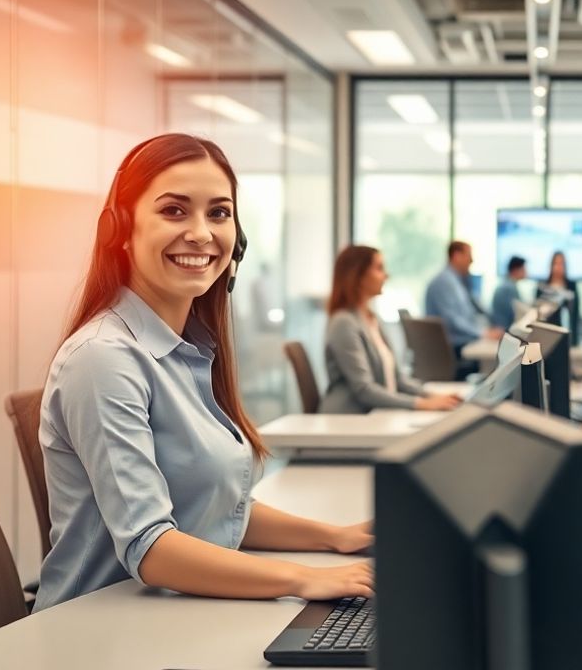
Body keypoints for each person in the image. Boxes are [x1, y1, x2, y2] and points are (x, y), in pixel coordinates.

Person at [36, 134, 372, 612]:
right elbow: (151, 547)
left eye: (218, 213)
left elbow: (215, 509)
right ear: (121, 230)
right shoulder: (104, 358)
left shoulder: (186, 349)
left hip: (173, 613)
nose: (201, 233)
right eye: (174, 211)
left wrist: (333, 537)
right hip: (99, 629)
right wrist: (304, 578)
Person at [323, 245, 462, 414]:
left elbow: (398, 380)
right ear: (357, 275)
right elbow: (364, 389)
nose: (386, 275)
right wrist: (421, 404)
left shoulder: (372, 319)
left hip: (376, 414)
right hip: (350, 418)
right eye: (379, 268)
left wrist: (432, 396)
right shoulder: (344, 323)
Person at [424, 241, 499, 357]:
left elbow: (472, 310)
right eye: (469, 256)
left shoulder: (457, 281)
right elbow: (452, 320)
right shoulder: (444, 282)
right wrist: (483, 333)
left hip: (460, 344)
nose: (472, 261)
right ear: (457, 256)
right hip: (453, 349)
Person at [536, 250, 580, 340]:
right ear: (551, 265)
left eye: (561, 264)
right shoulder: (542, 287)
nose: (558, 267)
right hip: (546, 335)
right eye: (556, 263)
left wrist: (575, 340)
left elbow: (575, 315)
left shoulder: (571, 286)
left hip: (566, 335)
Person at [490, 255, 528, 330]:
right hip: (503, 330)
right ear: (516, 270)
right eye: (524, 269)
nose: (526, 272)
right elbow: (516, 314)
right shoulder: (508, 288)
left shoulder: (507, 284)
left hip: (501, 328)